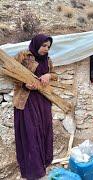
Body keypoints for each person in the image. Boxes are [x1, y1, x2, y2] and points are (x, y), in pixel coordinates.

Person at [13, 34, 57, 179]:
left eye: (48, 47)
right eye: (43, 45)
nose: (46, 49)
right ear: (36, 43)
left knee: (43, 131)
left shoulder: (48, 60)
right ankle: (33, 171)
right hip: (26, 101)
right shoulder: (24, 56)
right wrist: (24, 84)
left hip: (43, 101)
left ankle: (43, 163)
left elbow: (55, 75)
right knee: (30, 134)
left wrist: (49, 76)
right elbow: (12, 74)